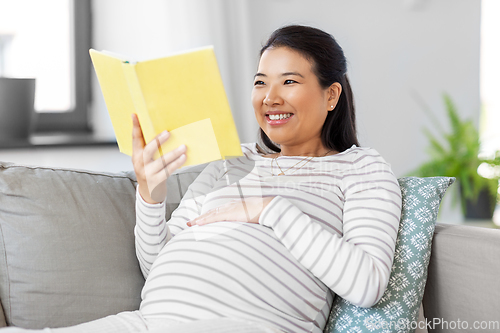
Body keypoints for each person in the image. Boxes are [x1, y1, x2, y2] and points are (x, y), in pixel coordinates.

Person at [4, 25, 401, 333]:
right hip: (148, 321)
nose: (269, 97)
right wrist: (151, 191)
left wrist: (270, 210)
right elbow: (157, 263)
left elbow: (366, 283)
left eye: (289, 81)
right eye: (261, 81)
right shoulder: (231, 160)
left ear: (331, 96)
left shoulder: (361, 169)